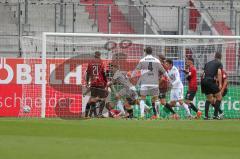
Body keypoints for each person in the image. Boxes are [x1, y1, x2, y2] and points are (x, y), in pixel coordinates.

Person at [131, 47, 170, 118]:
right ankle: (158, 115)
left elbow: (136, 70)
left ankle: (142, 115)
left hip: (145, 82)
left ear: (145, 52)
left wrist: (131, 76)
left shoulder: (142, 60)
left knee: (142, 98)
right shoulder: (157, 60)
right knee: (156, 99)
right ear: (151, 52)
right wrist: (168, 78)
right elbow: (163, 71)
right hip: (154, 83)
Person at [85, 51, 108, 118]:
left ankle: (92, 114)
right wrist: (106, 82)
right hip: (100, 83)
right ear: (99, 55)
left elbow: (88, 74)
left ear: (94, 55)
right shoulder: (101, 62)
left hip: (93, 83)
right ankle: (99, 113)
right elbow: (103, 73)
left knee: (93, 98)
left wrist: (87, 82)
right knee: (103, 98)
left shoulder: (90, 62)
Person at [201, 52, 223, 120]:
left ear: (214, 57)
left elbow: (203, 73)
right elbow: (219, 73)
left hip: (203, 81)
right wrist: (220, 84)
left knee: (209, 98)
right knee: (219, 97)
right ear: (220, 58)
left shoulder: (208, 63)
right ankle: (215, 115)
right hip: (210, 80)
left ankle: (206, 116)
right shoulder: (219, 63)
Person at [158, 54, 178, 119]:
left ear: (160, 59)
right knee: (160, 101)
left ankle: (174, 113)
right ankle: (156, 115)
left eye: (158, 58)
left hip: (162, 86)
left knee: (162, 102)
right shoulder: (161, 65)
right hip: (161, 85)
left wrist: (158, 83)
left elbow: (163, 78)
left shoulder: (163, 66)